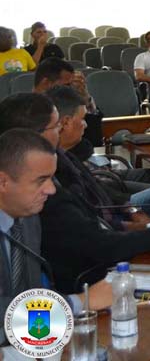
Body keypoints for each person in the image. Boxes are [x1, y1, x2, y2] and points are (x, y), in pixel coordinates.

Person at [0, 93, 150, 292]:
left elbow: (97, 211)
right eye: (56, 126)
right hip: (90, 279)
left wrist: (148, 223)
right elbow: (100, 245)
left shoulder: (59, 165)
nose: (50, 188)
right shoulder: (42, 202)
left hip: (100, 255)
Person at [0, 128, 112, 347]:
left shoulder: (28, 218)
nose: (51, 190)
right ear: (3, 182)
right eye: (41, 180)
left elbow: (29, 298)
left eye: (51, 178)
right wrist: (80, 302)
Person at [46, 86, 150, 221]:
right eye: (83, 119)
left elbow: (96, 185)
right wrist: (130, 221)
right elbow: (90, 216)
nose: (85, 125)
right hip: (106, 213)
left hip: (109, 197)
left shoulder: (67, 155)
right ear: (65, 123)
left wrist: (130, 208)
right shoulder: (55, 163)